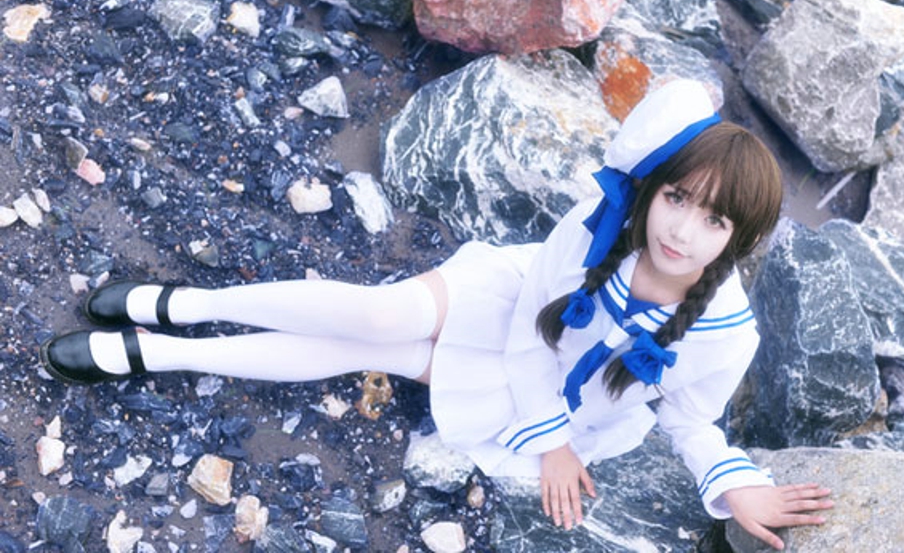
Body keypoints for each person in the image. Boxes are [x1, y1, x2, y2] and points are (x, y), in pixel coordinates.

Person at [41, 79, 832, 550]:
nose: (682, 231)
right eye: (678, 198)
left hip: (553, 396)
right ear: (654, 188)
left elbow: (691, 421)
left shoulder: (728, 334)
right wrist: (551, 446)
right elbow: (532, 325)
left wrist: (735, 488)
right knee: (378, 316)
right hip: (516, 310)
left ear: (740, 240)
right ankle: (187, 305)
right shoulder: (601, 224)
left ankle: (157, 351)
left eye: (714, 221)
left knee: (364, 353)